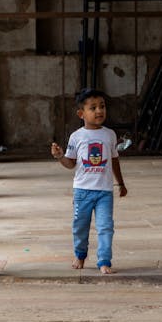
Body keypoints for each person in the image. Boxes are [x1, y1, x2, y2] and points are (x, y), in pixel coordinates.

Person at [50, 88, 127, 274]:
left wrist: (121, 183)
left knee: (106, 227)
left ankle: (104, 261)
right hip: (82, 192)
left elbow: (114, 161)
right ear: (81, 113)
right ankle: (80, 254)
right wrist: (60, 156)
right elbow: (71, 164)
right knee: (80, 226)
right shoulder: (77, 137)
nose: (99, 111)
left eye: (102, 106)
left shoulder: (109, 135)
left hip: (104, 192)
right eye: (93, 108)